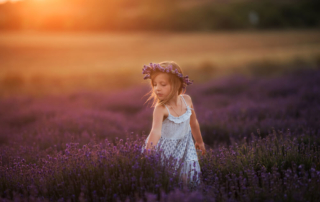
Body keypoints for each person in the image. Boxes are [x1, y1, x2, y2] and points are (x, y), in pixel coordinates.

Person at [140, 61, 206, 187]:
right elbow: (155, 131)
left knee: (189, 178)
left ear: (177, 85)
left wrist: (200, 141)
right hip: (165, 149)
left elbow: (193, 122)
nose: (157, 88)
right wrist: (148, 153)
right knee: (169, 179)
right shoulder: (161, 108)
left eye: (163, 84)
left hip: (185, 145)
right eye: (154, 84)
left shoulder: (187, 100)